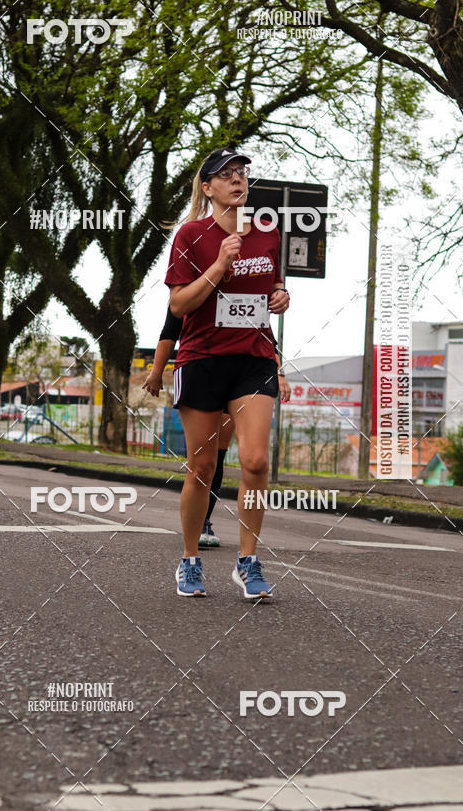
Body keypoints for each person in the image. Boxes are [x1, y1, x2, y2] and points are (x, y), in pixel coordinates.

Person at [164, 147, 290, 599]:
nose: (238, 180)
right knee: (202, 466)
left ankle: (248, 560)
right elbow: (178, 306)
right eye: (227, 175)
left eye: (242, 174)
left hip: (253, 358)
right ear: (207, 187)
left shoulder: (267, 233)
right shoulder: (191, 235)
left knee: (255, 461)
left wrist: (280, 295)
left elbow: (272, 285)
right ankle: (190, 561)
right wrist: (219, 265)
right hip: (202, 359)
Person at [143, 308, 291, 549]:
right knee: (202, 462)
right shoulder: (192, 292)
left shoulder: (246, 295)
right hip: (202, 370)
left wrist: (280, 373)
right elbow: (170, 330)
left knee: (220, 452)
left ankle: (206, 521)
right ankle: (193, 540)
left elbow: (267, 337)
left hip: (241, 377)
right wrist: (156, 372)